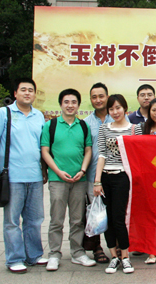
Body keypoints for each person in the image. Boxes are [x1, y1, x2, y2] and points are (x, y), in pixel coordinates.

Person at [0, 78, 48, 273]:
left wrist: (44, 169)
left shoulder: (39, 116)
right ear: (15, 93)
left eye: (31, 90)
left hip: (35, 176)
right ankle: (15, 258)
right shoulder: (3, 114)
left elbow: (42, 146)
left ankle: (34, 255)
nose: (27, 93)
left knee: (35, 218)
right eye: (23, 90)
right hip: (12, 176)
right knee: (12, 220)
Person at [41, 89, 95, 271]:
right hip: (58, 179)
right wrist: (57, 171)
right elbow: (45, 151)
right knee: (56, 219)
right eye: (66, 102)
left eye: (73, 102)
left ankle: (77, 252)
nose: (70, 105)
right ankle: (54, 254)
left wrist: (83, 170)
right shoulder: (51, 125)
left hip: (80, 179)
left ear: (78, 105)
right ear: (61, 104)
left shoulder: (83, 126)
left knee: (77, 219)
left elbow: (88, 150)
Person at [93, 94, 136, 274]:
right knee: (107, 219)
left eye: (118, 108)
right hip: (106, 177)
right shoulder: (104, 129)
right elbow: (101, 154)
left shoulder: (135, 128)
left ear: (125, 108)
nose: (115, 112)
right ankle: (114, 257)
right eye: (112, 109)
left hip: (123, 177)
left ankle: (125, 257)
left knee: (118, 218)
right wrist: (97, 181)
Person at [134, 97, 156, 264]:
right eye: (154, 110)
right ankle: (150, 250)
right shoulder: (142, 129)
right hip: (147, 178)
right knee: (148, 214)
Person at [84, 82, 113, 263]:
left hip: (115, 174)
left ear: (107, 97)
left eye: (101, 96)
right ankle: (96, 247)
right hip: (92, 175)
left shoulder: (117, 118)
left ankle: (115, 245)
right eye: (94, 97)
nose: (98, 100)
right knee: (94, 212)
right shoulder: (86, 123)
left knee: (114, 210)